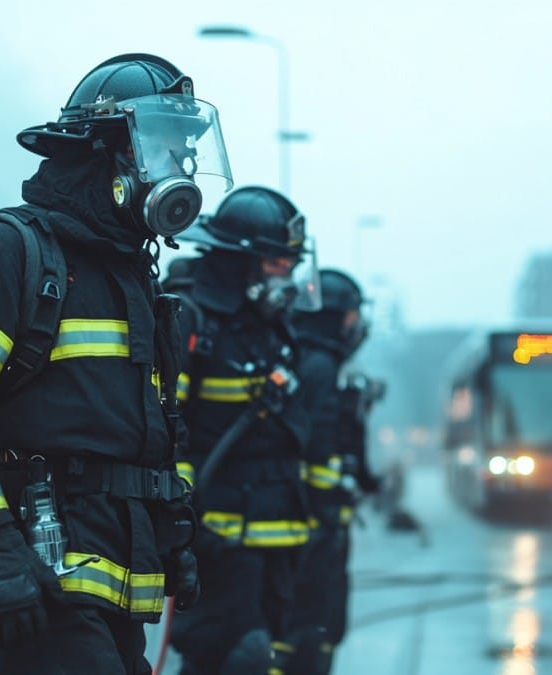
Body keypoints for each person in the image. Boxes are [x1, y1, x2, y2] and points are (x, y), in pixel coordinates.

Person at [0, 53, 233, 674]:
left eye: (185, 152)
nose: (179, 169)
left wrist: (172, 532)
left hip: (109, 606)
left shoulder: (132, 279)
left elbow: (143, 438)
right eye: (164, 148)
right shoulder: (9, 252)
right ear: (105, 151)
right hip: (38, 592)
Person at [165, 186, 335, 675]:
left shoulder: (272, 327)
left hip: (279, 538)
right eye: (278, 263)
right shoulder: (191, 320)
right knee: (230, 657)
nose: (288, 276)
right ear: (241, 262)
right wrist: (188, 521)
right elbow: (164, 431)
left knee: (272, 656)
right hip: (218, 540)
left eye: (290, 264)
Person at [284, 269, 381, 675]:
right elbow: (318, 447)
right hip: (314, 533)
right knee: (313, 627)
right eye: (352, 314)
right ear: (335, 316)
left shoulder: (311, 362)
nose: (356, 324)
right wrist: (328, 507)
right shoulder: (321, 367)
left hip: (312, 527)